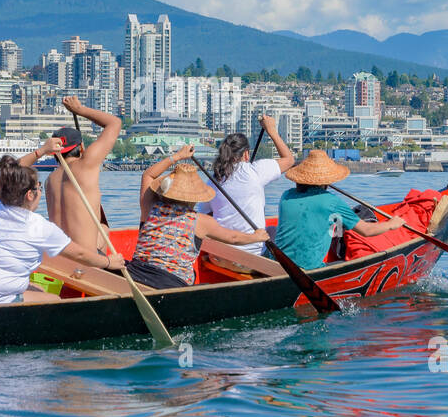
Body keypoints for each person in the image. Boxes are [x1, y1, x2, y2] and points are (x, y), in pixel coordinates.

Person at [0, 151, 123, 304]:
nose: (41, 191)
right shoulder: (38, 225)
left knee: (37, 288)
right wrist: (108, 262)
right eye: (39, 187)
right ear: (30, 195)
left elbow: (6, 178)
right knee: (54, 300)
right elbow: (79, 254)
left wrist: (41, 151)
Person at [127, 145, 269, 289]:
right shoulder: (200, 221)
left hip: (135, 274)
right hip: (170, 283)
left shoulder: (150, 206)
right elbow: (233, 238)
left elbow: (148, 175)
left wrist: (177, 156)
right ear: (194, 197)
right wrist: (257, 237)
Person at [274, 150, 407, 270]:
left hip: (276, 264)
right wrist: (391, 224)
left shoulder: (286, 195)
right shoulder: (331, 202)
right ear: (325, 180)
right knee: (344, 262)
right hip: (306, 270)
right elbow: (367, 231)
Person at [199, 114, 295, 256]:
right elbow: (289, 160)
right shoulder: (255, 171)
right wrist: (271, 130)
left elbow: (205, 215)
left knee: (270, 230)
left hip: (221, 254)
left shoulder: (213, 180)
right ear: (246, 154)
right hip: (253, 255)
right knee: (276, 231)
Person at [44, 96, 121, 253]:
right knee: (104, 229)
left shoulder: (49, 180)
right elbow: (115, 123)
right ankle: (102, 269)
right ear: (81, 147)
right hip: (84, 258)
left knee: (103, 229)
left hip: (59, 256)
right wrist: (79, 110)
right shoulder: (86, 164)